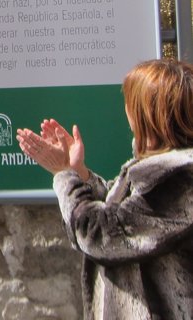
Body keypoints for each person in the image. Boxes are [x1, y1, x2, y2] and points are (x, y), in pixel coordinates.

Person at [16, 58, 193, 320]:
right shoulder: (153, 171)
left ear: (149, 114)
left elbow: (102, 234)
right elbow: (121, 212)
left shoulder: (179, 180)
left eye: (131, 103)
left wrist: (63, 176)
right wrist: (80, 173)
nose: (126, 111)